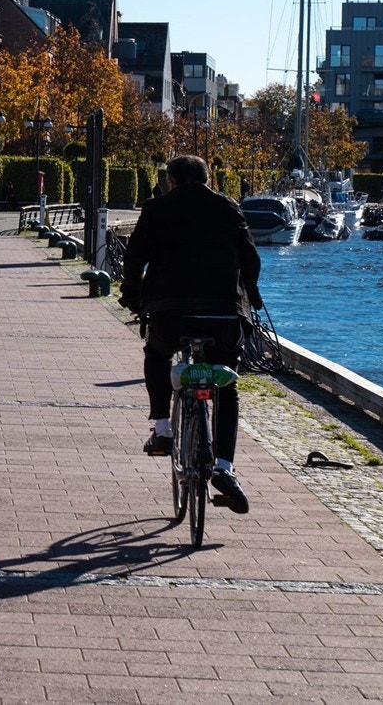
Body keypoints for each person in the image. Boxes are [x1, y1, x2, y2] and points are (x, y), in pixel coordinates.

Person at [118, 154, 263, 514]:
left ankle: (164, 429)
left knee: (156, 354)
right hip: (223, 314)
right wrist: (252, 295)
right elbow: (250, 257)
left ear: (171, 181)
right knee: (227, 384)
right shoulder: (228, 207)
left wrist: (132, 298)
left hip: (171, 311)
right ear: (207, 178)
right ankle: (225, 467)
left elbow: (135, 258)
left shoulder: (157, 209)